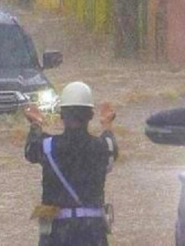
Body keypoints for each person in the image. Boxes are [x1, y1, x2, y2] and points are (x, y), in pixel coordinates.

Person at [24, 82, 118, 246]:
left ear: (62, 115)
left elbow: (30, 150)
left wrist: (36, 123)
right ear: (90, 115)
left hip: (58, 233)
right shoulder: (102, 147)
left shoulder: (47, 146)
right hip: (93, 233)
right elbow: (111, 146)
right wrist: (107, 123)